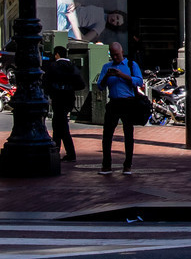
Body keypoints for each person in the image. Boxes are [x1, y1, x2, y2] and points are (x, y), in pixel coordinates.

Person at [94, 41, 144, 176]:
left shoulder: (131, 65)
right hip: (114, 102)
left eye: (117, 55)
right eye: (113, 55)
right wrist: (107, 76)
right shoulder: (107, 67)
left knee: (128, 134)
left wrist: (122, 75)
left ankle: (127, 165)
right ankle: (106, 165)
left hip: (128, 102)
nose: (115, 58)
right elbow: (100, 86)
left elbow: (139, 81)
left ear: (122, 52)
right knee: (107, 135)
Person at [43, 46, 84, 161]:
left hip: (57, 99)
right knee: (58, 124)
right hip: (69, 99)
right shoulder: (72, 67)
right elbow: (81, 84)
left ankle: (67, 152)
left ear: (57, 55)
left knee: (60, 126)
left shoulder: (53, 66)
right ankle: (58, 151)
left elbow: (46, 83)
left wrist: (51, 92)